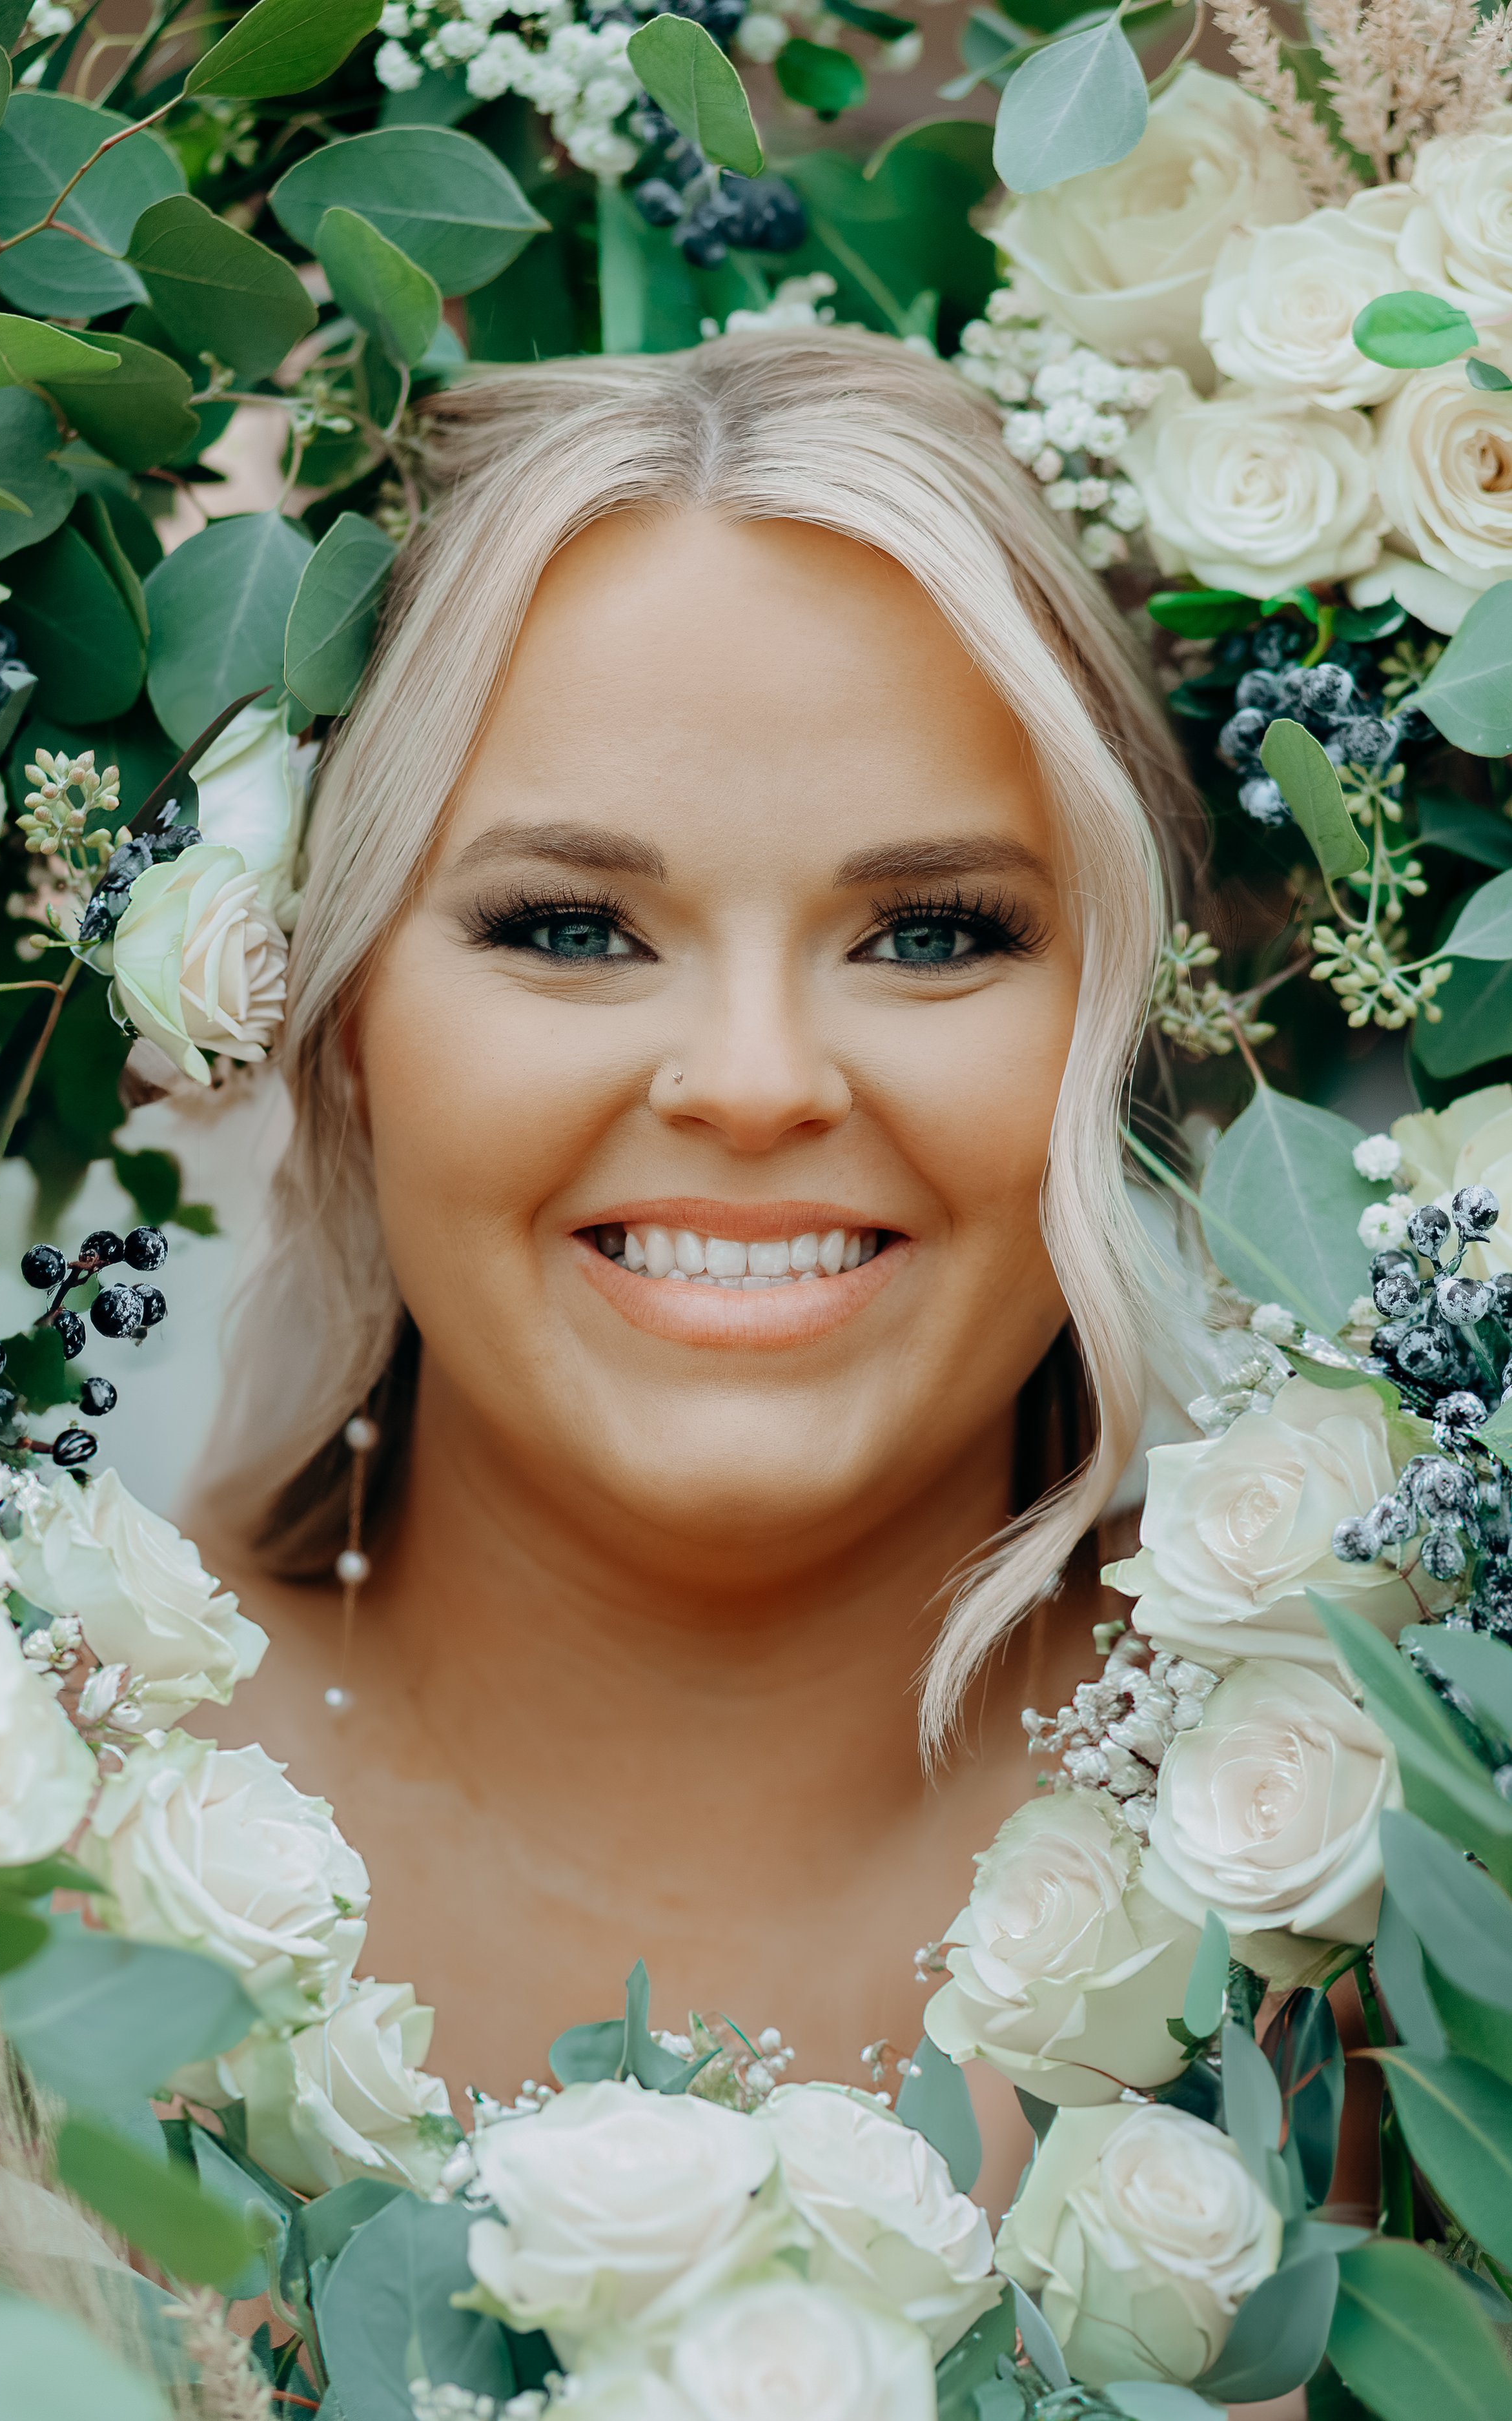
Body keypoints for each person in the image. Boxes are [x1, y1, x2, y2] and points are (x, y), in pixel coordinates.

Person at [192, 326, 1195, 2212]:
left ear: (1120, 1023)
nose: (750, 1086)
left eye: (927, 935)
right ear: (340, 1028)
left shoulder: (1422, 1846)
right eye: (571, 926)